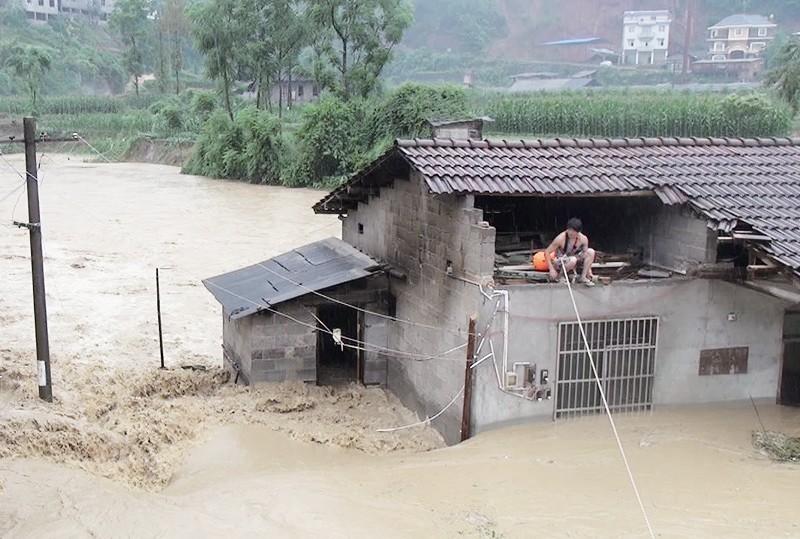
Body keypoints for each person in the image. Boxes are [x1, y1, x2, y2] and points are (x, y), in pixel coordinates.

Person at [545, 217, 596, 286]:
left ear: (578, 232)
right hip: (561, 261)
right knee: (573, 260)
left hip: (575, 258)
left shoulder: (583, 239)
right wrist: (551, 269)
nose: (571, 233)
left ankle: (583, 277)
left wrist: (589, 271)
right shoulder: (561, 238)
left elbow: (586, 254)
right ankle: (561, 276)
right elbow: (547, 252)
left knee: (591, 252)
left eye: (573, 231)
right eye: (569, 230)